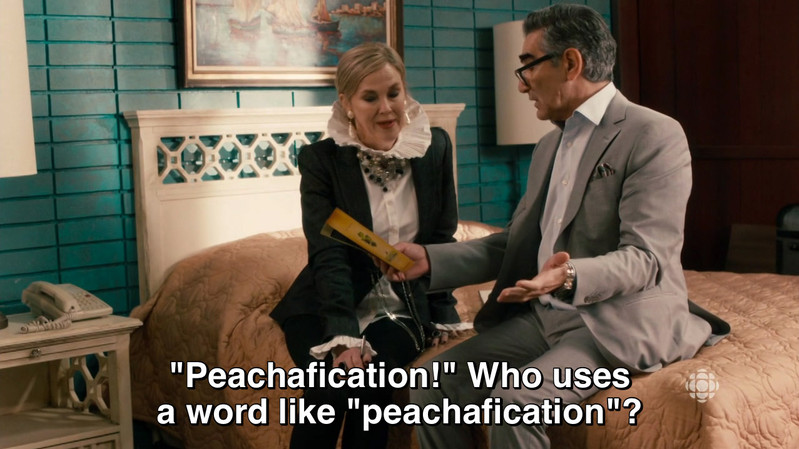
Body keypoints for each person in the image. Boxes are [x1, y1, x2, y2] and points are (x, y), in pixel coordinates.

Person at [380, 5, 730, 449]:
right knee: (433, 383)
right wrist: (430, 260)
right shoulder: (548, 145)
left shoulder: (653, 134)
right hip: (546, 317)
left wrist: (568, 276)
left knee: (512, 403)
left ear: (570, 63)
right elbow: (514, 244)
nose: (521, 83)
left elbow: (647, 258)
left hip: (618, 321)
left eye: (528, 65)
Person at [270, 42, 464, 449]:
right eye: (370, 97)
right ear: (346, 103)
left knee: (370, 387)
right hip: (325, 305)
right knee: (328, 387)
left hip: (402, 307)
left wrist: (443, 310)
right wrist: (342, 335)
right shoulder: (321, 161)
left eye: (394, 93)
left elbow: (441, 237)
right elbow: (328, 251)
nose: (387, 108)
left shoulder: (435, 147)